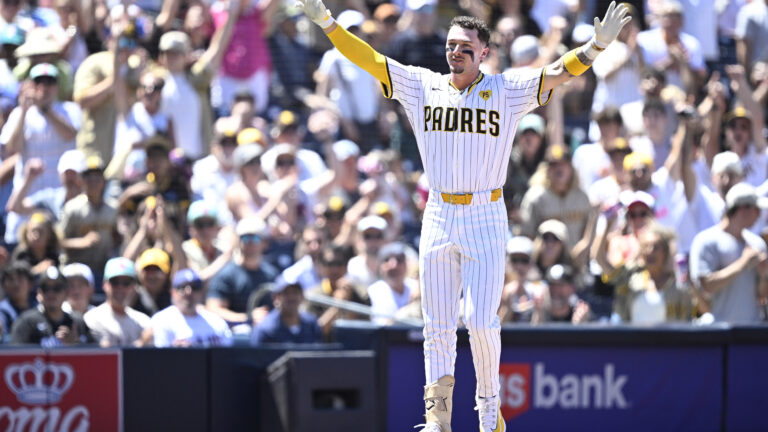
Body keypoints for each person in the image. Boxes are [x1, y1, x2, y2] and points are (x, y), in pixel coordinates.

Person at [297, 1, 632, 430]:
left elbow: (557, 73)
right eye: (451, 45)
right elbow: (369, 59)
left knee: (479, 320)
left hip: (485, 213)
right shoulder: (421, 85)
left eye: (465, 46)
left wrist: (595, 48)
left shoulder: (506, 90)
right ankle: (437, 420)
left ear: (485, 51)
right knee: (436, 324)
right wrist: (327, 23)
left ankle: (490, 414)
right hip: (438, 211)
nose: (455, 52)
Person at [690, 183, 768, 323]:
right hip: (718, 332)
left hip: (751, 331)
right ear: (743, 209)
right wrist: (743, 262)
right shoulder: (706, 240)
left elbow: (762, 295)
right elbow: (707, 286)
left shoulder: (757, 243)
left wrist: (762, 275)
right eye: (757, 210)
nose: (760, 215)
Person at [10, 266, 93, 346]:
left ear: (66, 293)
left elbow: (94, 354)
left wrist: (75, 345)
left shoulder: (77, 322)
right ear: (39, 293)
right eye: (46, 288)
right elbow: (16, 356)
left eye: (57, 288)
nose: (51, 293)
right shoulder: (26, 323)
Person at [150, 268, 233, 347]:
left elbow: (227, 354)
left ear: (201, 292)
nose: (189, 292)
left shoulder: (216, 321)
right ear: (173, 292)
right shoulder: (162, 320)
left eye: (194, 287)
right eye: (182, 287)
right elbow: (160, 357)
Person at [84, 257, 150, 347]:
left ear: (133, 286)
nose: (120, 288)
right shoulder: (92, 318)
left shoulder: (143, 321)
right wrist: (141, 343)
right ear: (104, 284)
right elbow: (108, 355)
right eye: (115, 282)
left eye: (126, 283)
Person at [250, 273, 321, 345]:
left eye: (295, 292)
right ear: (275, 298)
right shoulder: (265, 330)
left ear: (302, 296)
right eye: (286, 293)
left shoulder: (312, 324)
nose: (291, 297)